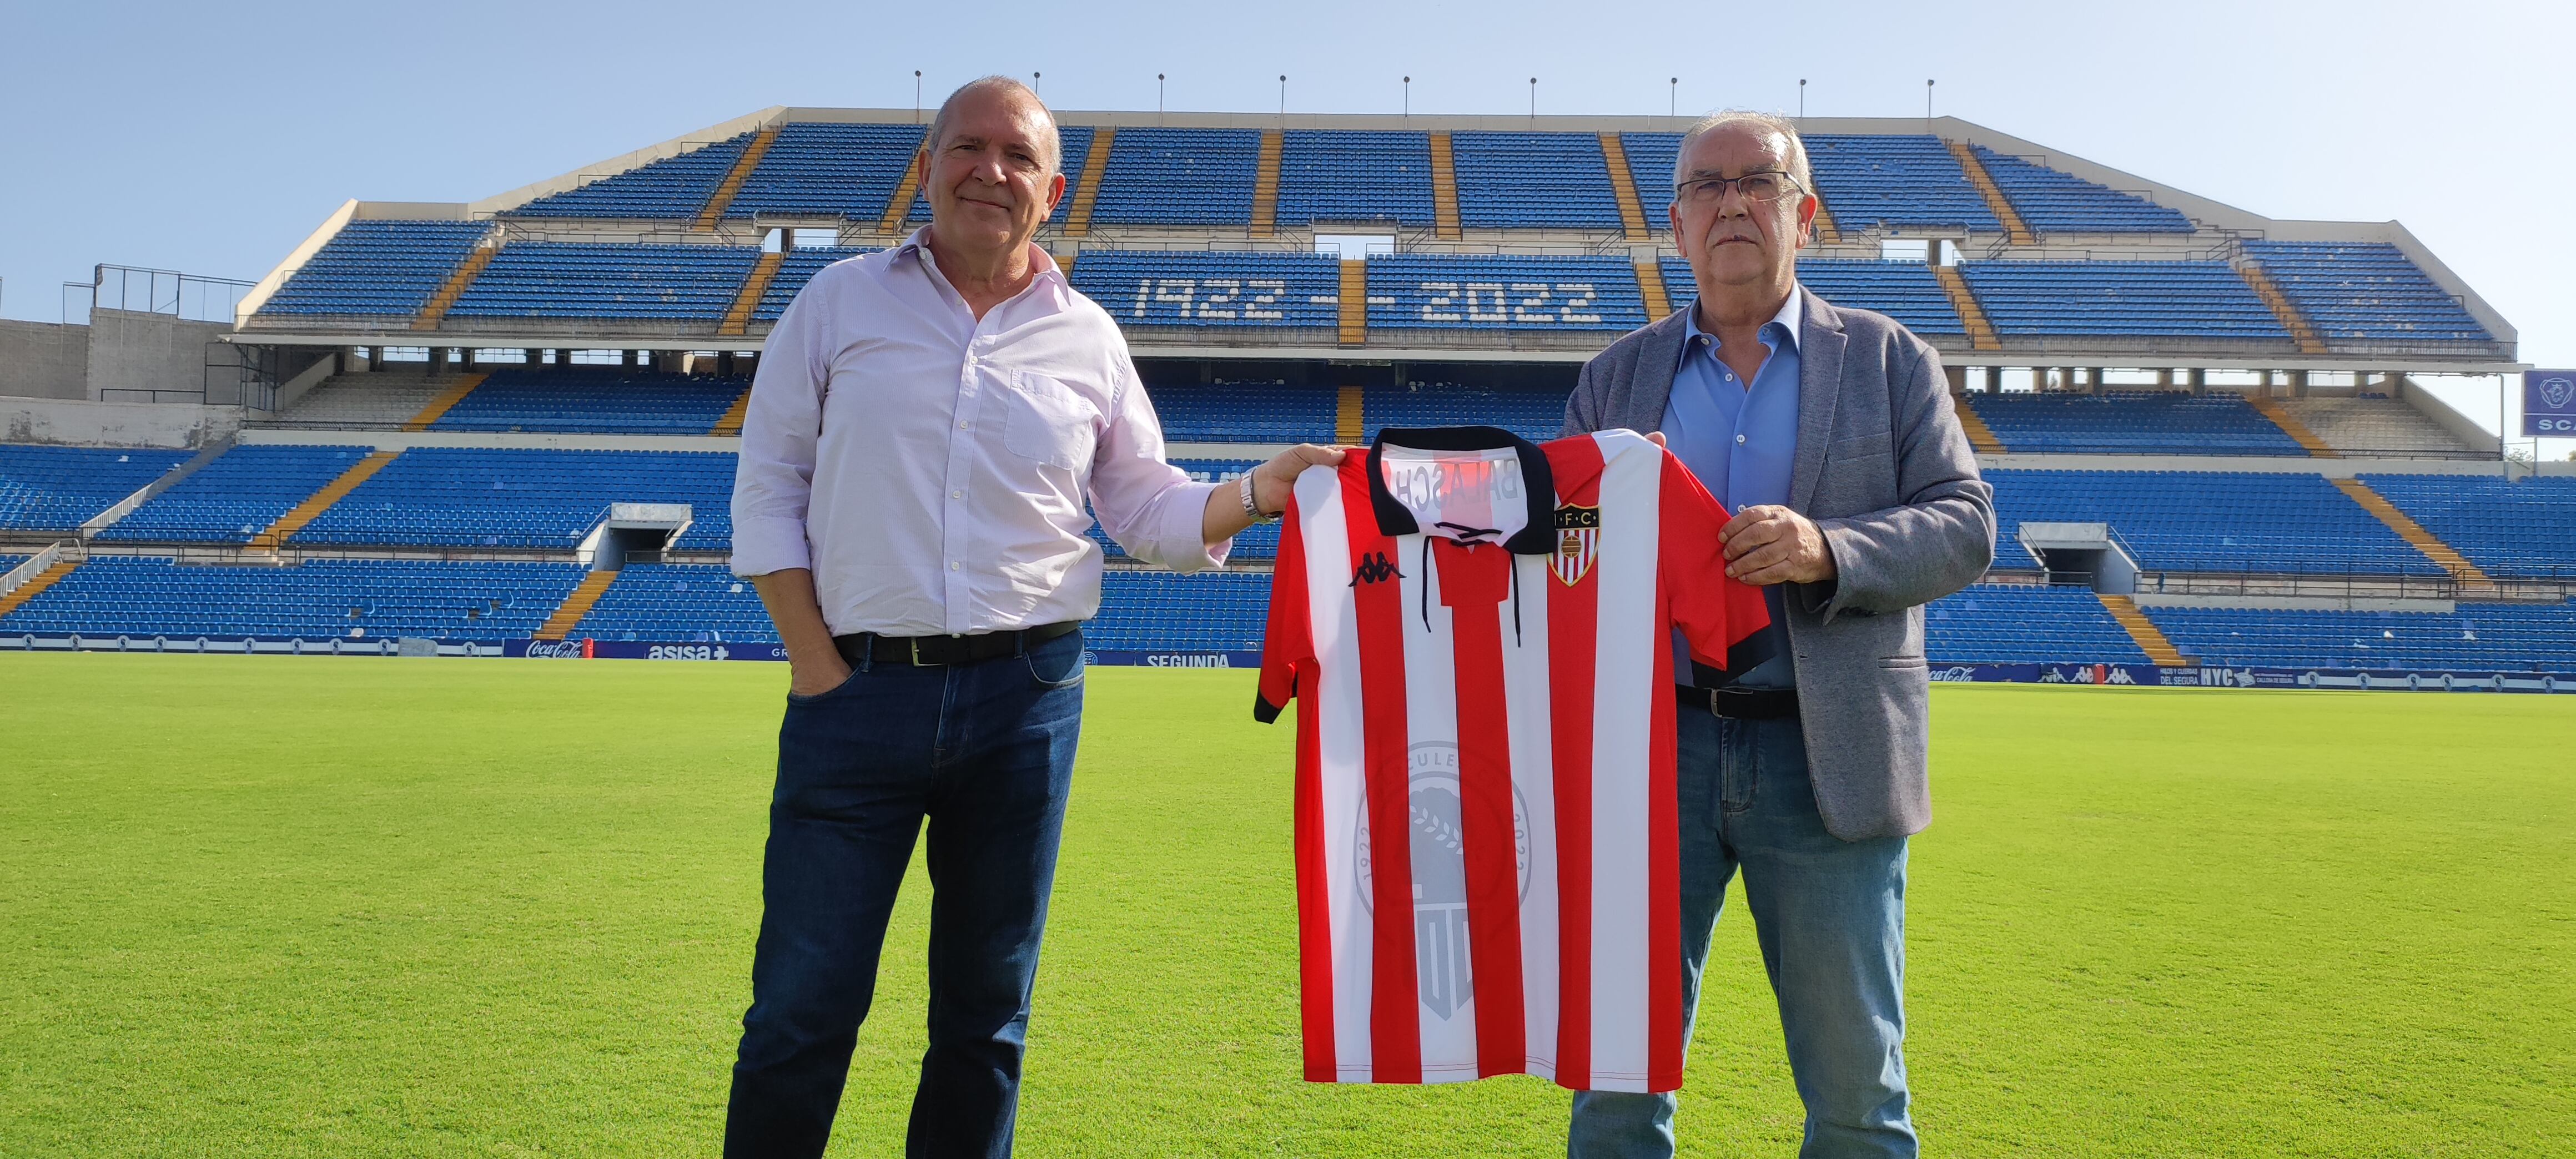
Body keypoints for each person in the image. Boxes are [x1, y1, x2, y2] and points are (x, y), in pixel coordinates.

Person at [723, 77, 1339, 1159]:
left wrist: (1258, 490)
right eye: (968, 148)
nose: (990, 172)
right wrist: (815, 663)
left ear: (1051, 190)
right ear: (927, 168)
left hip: (1025, 708)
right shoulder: (836, 304)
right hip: (855, 697)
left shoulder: (1089, 339)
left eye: (1017, 158)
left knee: (984, 1022)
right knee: (799, 1013)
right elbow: (768, 485)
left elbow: (1143, 506)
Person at [1559, 110, 1996, 1158]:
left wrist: (1827, 548)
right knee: (1616, 1084)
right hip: (1654, 755)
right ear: (1677, 226)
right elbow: (1561, 545)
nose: (1732, 203)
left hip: (1828, 754)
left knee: (1856, 1092)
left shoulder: (1891, 359)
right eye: (1707, 187)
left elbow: (1967, 525)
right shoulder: (1616, 376)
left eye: (1758, 181)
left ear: (1804, 214)